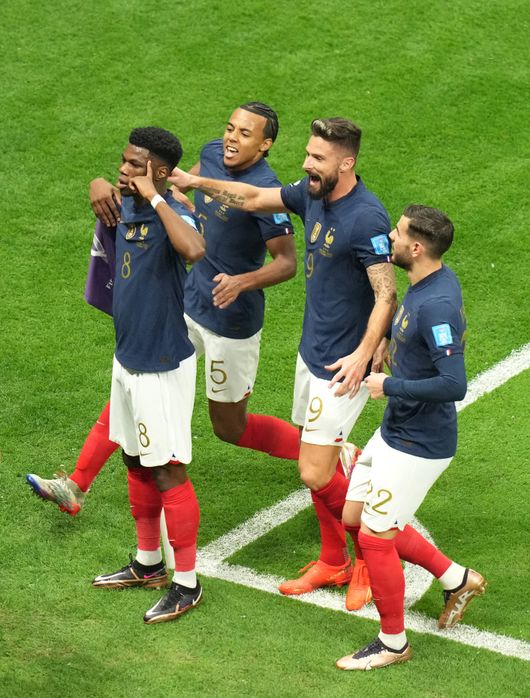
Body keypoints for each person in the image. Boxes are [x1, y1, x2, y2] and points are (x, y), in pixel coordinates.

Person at [27, 103, 331, 516]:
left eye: (245, 133)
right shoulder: (208, 155)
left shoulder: (268, 191)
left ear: (265, 145)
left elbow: (287, 263)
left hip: (230, 321)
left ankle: (328, 451)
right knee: (134, 381)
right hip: (185, 301)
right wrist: (107, 184)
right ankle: (76, 484)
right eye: (230, 128)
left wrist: (242, 281)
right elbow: (168, 191)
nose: (231, 138)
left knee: (230, 427)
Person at [168, 117, 397, 610]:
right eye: (307, 154)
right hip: (311, 350)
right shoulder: (312, 193)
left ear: (347, 162)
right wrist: (193, 182)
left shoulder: (367, 218)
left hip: (343, 364)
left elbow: (386, 292)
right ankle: (333, 558)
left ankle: (365, 562)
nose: (307, 164)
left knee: (315, 471)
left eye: (317, 158)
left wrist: (363, 354)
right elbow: (252, 198)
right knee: (316, 460)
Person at [336, 205, 485, 671]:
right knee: (354, 517)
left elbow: (454, 384)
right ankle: (455, 577)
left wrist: (389, 385)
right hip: (396, 429)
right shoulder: (429, 284)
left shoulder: (437, 304)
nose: (390, 237)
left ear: (416, 249)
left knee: (377, 540)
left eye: (398, 234)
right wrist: (387, 345)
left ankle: (393, 642)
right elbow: (412, 328)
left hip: (420, 443)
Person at [88, 127, 206, 623]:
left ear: (159, 171)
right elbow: (106, 189)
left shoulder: (168, 208)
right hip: (128, 357)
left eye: (135, 165)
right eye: (122, 161)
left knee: (168, 469)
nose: (123, 170)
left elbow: (194, 249)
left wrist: (157, 195)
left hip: (162, 363)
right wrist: (99, 182)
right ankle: (147, 563)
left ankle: (187, 583)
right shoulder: (126, 202)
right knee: (135, 462)